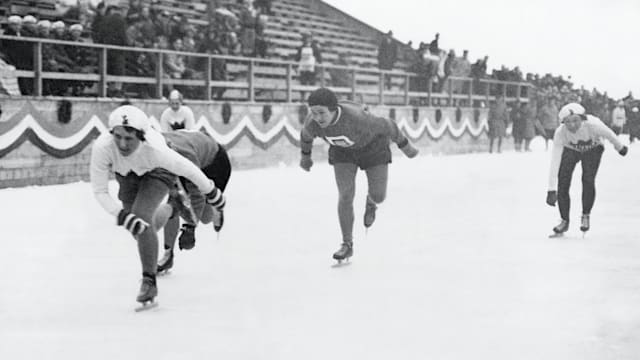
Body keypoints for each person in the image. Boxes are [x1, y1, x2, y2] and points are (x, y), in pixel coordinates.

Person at [90, 105, 226, 306]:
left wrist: (213, 193)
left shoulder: (157, 149)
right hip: (127, 174)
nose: (122, 144)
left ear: (142, 137)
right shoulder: (103, 147)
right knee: (137, 227)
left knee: (141, 216)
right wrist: (121, 215)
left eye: (129, 138)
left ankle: (149, 281)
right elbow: (100, 191)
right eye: (118, 136)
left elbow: (189, 170)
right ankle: (176, 206)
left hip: (157, 172)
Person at [299, 88, 419, 261]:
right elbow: (305, 136)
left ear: (333, 110)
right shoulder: (313, 123)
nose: (317, 118)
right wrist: (305, 158)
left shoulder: (358, 119)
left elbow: (389, 125)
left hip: (373, 148)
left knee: (379, 196)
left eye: (322, 113)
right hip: (343, 153)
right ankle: (347, 244)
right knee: (345, 195)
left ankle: (371, 202)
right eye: (313, 113)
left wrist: (406, 147)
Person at [545, 103, 628, 236]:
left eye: (575, 120)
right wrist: (551, 189)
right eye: (567, 122)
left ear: (583, 118)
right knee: (563, 181)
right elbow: (555, 160)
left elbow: (610, 134)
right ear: (563, 123)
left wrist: (619, 147)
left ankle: (585, 214)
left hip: (593, 149)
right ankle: (564, 220)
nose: (572, 125)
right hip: (571, 150)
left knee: (588, 179)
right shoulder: (560, 133)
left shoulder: (593, 124)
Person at [157, 129, 232, 274]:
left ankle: (217, 206)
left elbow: (196, 194)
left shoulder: (182, 155)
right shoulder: (151, 148)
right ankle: (168, 255)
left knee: (205, 217)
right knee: (174, 201)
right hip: (194, 153)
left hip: (215, 163)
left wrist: (190, 227)